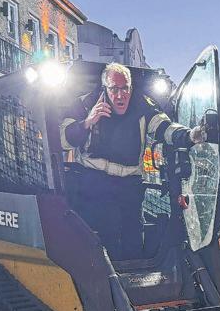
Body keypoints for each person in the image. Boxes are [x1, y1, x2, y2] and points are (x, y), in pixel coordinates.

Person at [60, 63, 206, 258]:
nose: (120, 95)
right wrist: (88, 121)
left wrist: (189, 135)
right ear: (105, 88)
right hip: (94, 184)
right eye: (114, 89)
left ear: (130, 87)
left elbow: (165, 128)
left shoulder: (144, 106)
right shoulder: (85, 104)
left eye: (125, 88)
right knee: (106, 238)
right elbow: (63, 140)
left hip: (130, 186)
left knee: (134, 241)